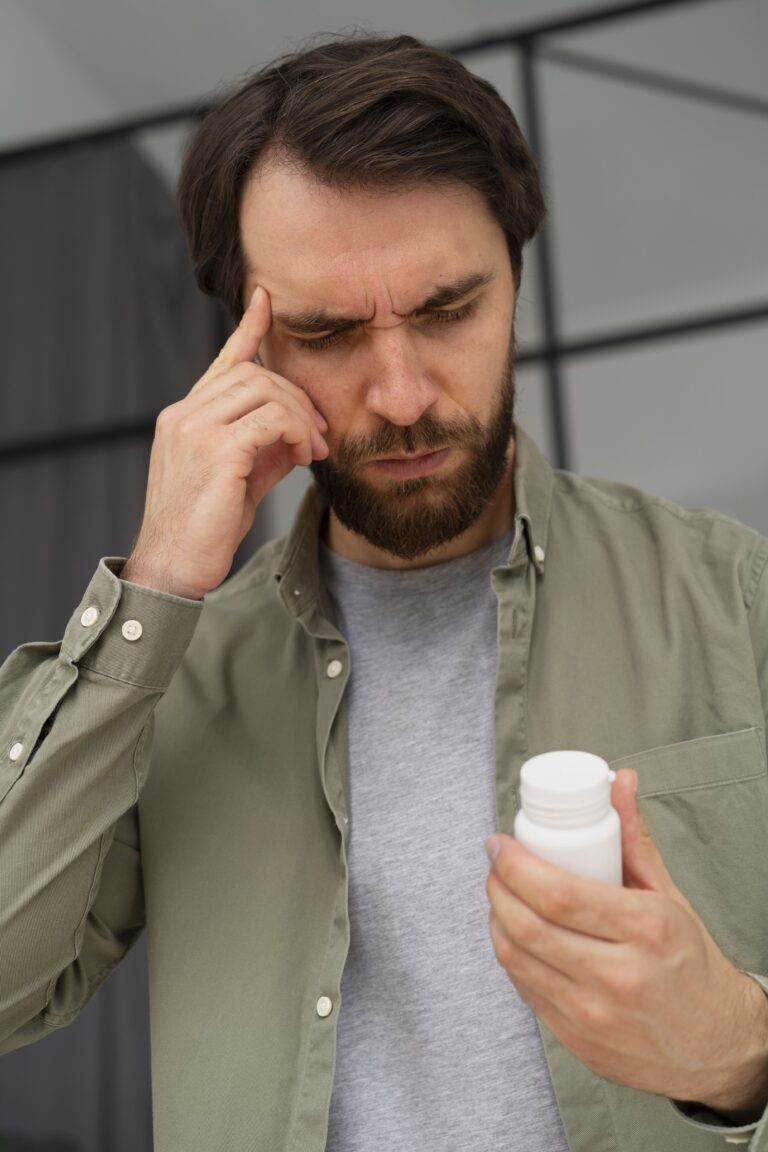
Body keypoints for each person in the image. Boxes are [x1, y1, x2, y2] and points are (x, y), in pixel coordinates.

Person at [1, 32, 768, 1152]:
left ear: (514, 281)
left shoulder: (738, 603)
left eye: (448, 309)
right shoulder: (174, 677)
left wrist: (744, 1051)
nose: (401, 394)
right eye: (324, 332)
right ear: (245, 347)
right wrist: (157, 580)